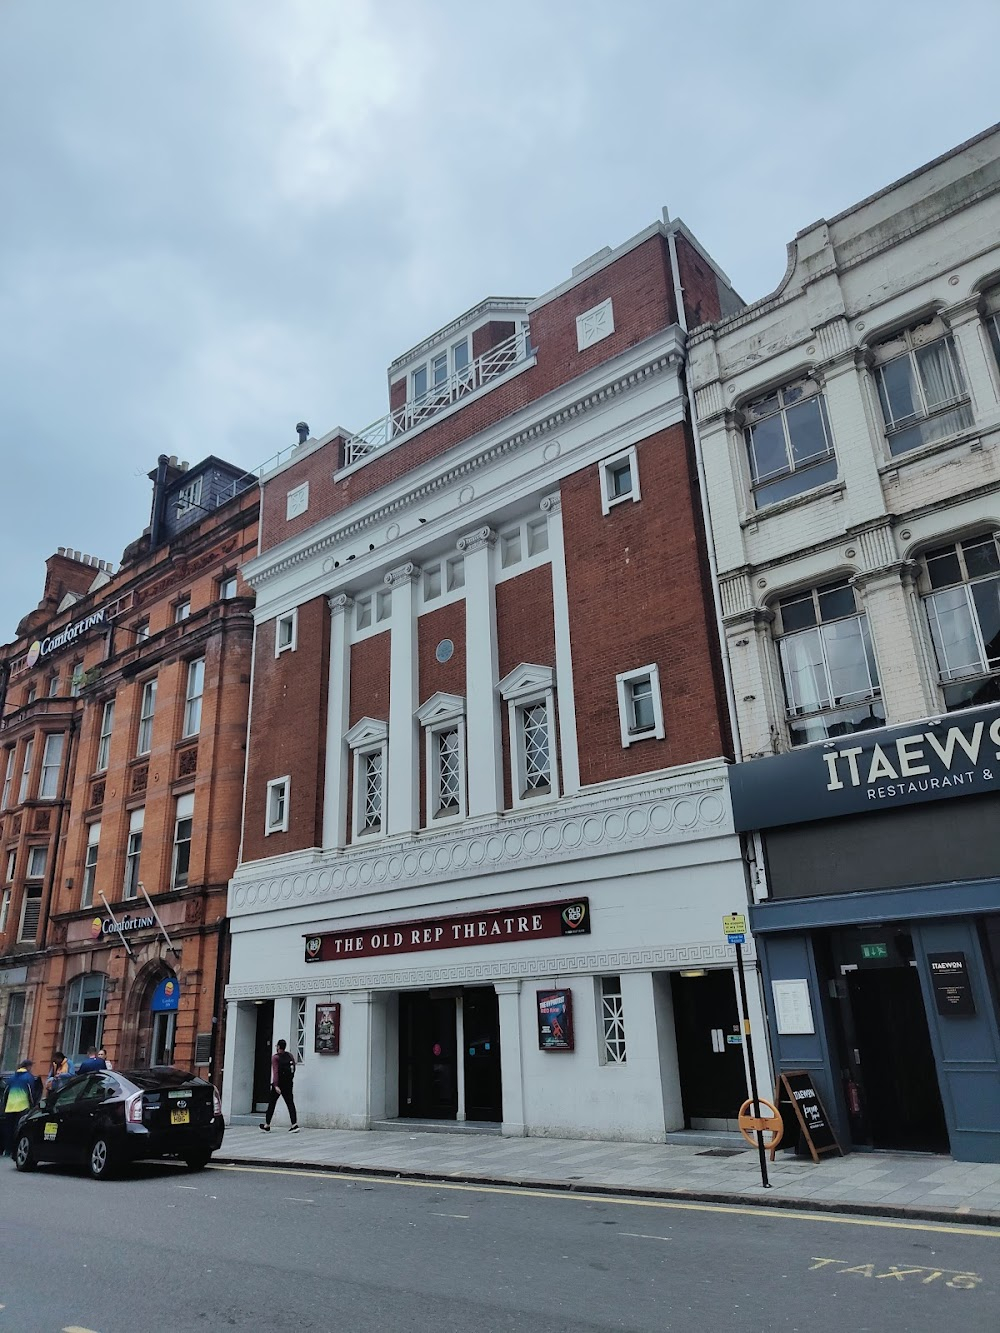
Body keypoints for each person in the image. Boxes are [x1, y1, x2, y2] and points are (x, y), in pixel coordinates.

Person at [2, 1058, 42, 1157]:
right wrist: (33, 1105)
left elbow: (5, 1093)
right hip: (22, 1107)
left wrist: (5, 1105)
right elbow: (31, 1093)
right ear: (28, 1067)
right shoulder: (29, 1077)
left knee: (9, 1129)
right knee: (19, 1129)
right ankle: (16, 1150)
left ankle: (8, 1150)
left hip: (10, 1107)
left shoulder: (12, 1078)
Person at [259, 1039, 299, 1133]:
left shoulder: (275, 1058)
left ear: (278, 1047)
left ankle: (267, 1125)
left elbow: (275, 1072)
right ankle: (294, 1124)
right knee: (290, 1103)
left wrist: (276, 1085)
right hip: (288, 1083)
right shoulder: (290, 1055)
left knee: (272, 1104)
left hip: (279, 1084)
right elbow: (294, 1068)